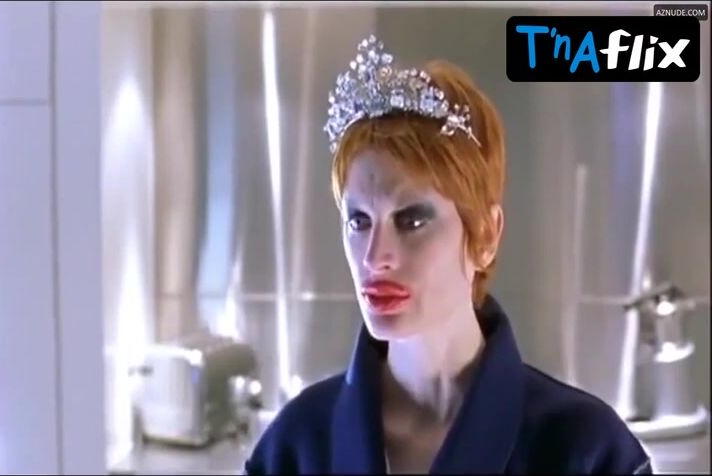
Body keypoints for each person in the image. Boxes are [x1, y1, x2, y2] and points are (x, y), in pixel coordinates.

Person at [243, 34, 652, 475]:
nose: (375, 257)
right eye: (359, 221)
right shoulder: (294, 448)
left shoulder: (587, 451)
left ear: (485, 234)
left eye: (411, 220)